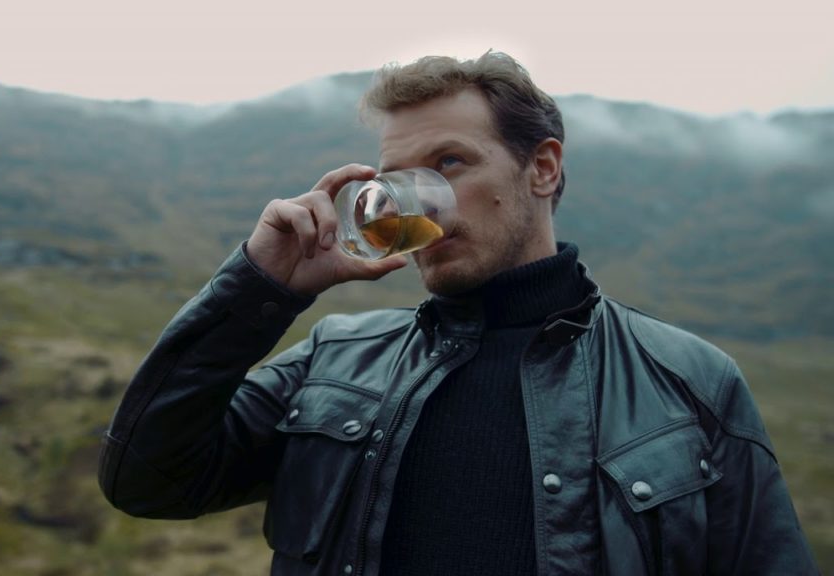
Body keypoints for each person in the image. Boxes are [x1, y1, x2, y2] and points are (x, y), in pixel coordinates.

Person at [98, 51, 819, 575]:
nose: (416, 203)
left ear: (542, 168)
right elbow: (146, 481)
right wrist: (259, 288)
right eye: (394, 181)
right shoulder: (334, 358)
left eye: (448, 164)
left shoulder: (689, 382)